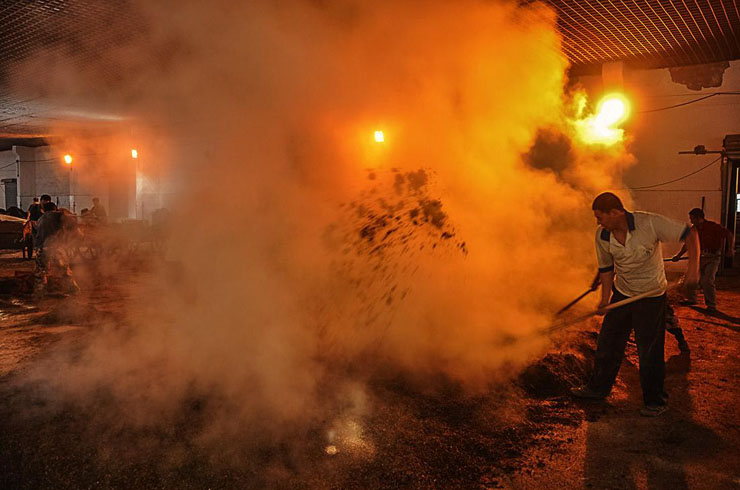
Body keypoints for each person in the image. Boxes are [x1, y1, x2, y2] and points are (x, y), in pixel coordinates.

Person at [572, 192, 699, 417]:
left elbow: (689, 233)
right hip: (623, 294)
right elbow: (606, 269)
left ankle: (655, 401)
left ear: (616, 213)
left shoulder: (649, 223)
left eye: (600, 217)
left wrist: (693, 271)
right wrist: (603, 300)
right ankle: (597, 389)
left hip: (651, 296)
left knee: (649, 350)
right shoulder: (602, 236)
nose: (598, 222)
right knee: (608, 342)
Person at [672, 208, 734, 312]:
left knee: (707, 280)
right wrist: (678, 256)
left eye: (692, 219)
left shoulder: (713, 227)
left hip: (712, 257)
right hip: (698, 257)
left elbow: (729, 234)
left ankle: (711, 305)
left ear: (699, 218)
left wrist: (730, 249)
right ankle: (691, 299)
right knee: (690, 279)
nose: (691, 221)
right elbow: (687, 244)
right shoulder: (693, 230)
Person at [32, 201, 80, 298]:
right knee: (64, 269)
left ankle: (40, 292)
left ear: (43, 210)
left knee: (41, 272)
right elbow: (71, 222)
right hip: (55, 247)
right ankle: (73, 289)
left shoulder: (41, 218)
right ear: (54, 208)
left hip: (42, 248)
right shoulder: (57, 215)